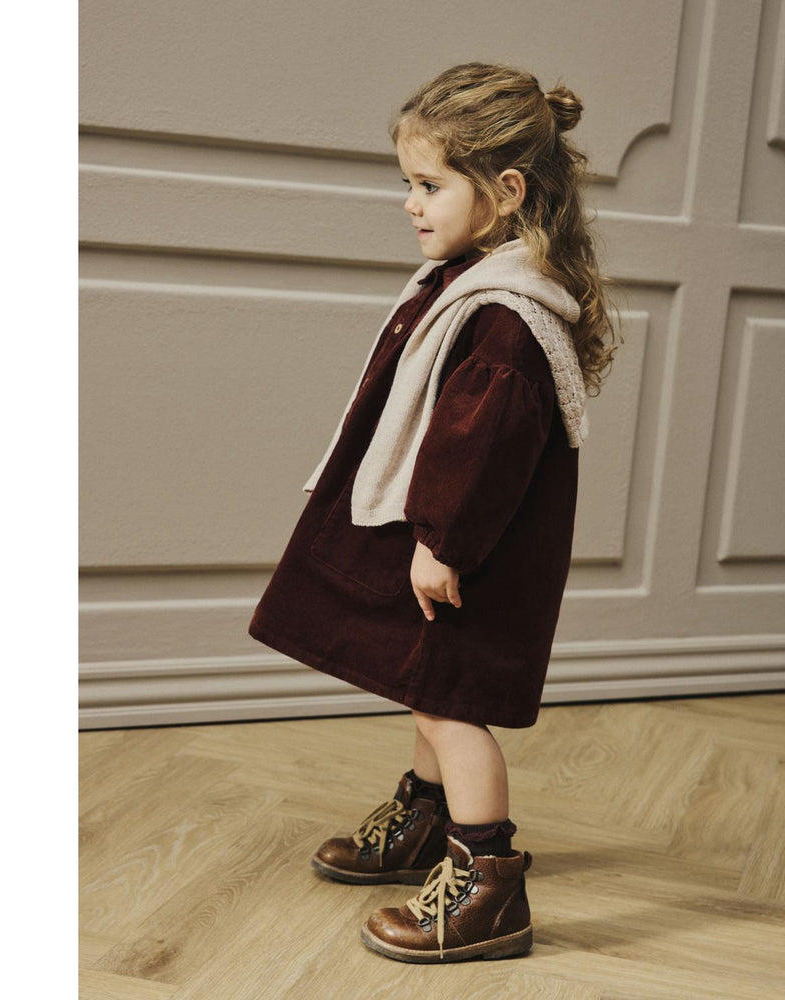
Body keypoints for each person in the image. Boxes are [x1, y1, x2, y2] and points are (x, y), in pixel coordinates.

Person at [248, 61, 619, 963]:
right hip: (443, 536)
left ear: (507, 191)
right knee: (426, 680)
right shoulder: (469, 278)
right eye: (408, 183)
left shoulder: (506, 315)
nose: (410, 203)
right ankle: (426, 818)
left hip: (463, 547)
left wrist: (441, 544)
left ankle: (489, 884)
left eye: (430, 185)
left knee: (453, 702)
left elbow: (481, 445)